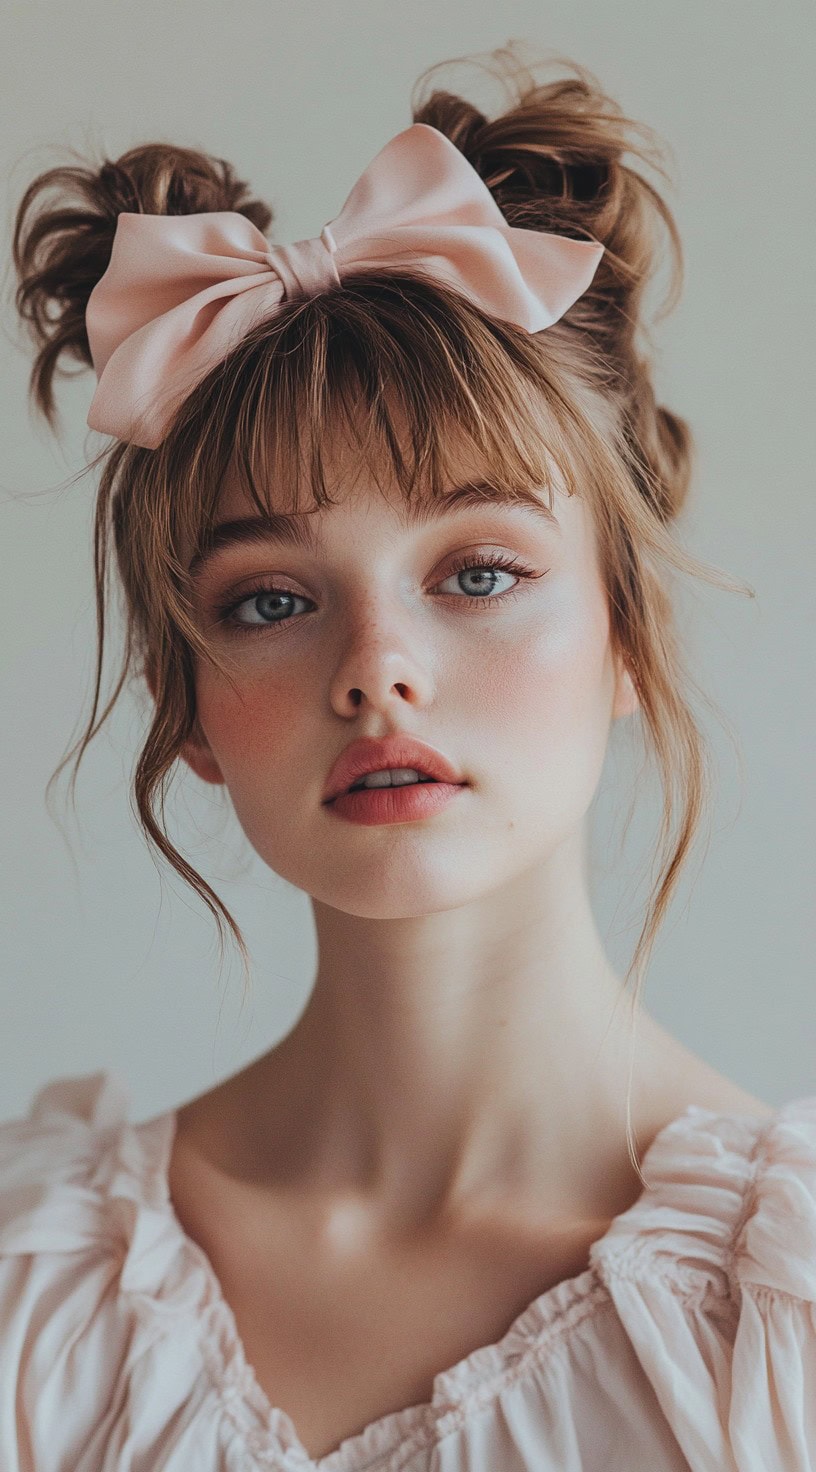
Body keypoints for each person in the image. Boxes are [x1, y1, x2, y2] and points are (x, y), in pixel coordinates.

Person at [1, 45, 813, 1472]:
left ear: (627, 629)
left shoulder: (778, 1326)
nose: (376, 667)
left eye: (480, 572)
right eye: (272, 600)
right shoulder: (36, 1298)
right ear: (187, 704)